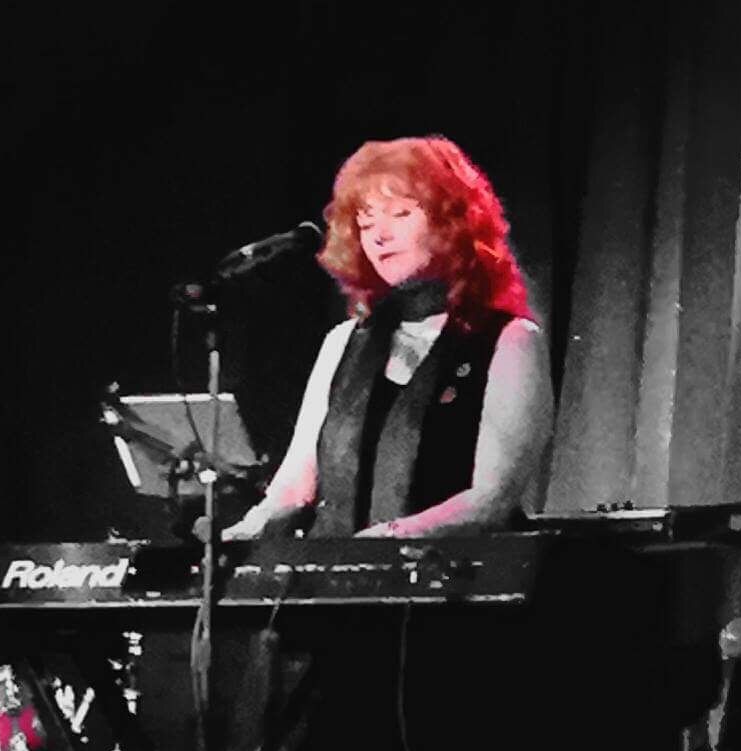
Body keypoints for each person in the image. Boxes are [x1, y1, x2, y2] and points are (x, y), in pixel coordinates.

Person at [223, 135, 553, 541]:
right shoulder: (344, 342)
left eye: (399, 214)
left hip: (444, 576)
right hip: (337, 574)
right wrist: (241, 534)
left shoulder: (509, 341)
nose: (378, 236)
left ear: (453, 222)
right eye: (365, 223)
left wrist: (387, 541)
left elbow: (491, 498)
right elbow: (295, 485)